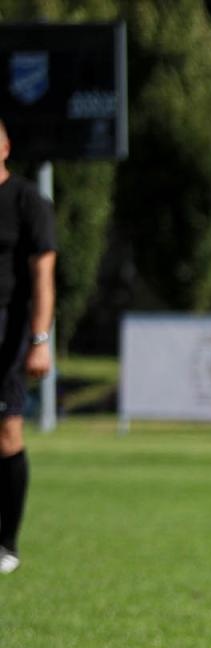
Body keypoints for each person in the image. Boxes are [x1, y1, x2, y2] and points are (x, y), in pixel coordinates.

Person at [0, 119, 57, 576]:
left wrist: (39, 339)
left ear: (5, 147)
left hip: (9, 331)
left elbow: (43, 277)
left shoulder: (27, 202)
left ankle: (7, 542)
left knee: (7, 434)